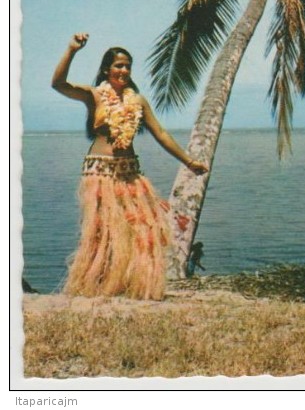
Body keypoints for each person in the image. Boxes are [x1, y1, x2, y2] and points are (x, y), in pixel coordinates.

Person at [51, 32, 207, 301]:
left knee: (143, 228)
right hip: (100, 171)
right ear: (106, 69)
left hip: (130, 172)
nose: (123, 71)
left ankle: (133, 284)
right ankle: (99, 286)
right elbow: (58, 84)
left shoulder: (138, 101)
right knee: (103, 232)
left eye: (127, 66)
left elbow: (161, 133)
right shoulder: (94, 95)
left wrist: (189, 161)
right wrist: (72, 50)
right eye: (118, 65)